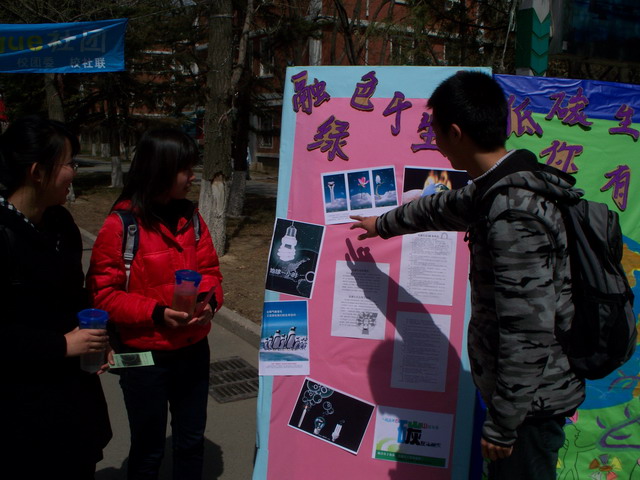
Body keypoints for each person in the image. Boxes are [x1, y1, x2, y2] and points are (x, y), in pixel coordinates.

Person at [350, 71, 585, 480]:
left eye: (436, 132)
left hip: (529, 408)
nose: (435, 143)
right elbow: (440, 208)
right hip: (523, 400)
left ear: (455, 133)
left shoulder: (512, 212)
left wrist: (504, 424)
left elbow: (527, 330)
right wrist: (381, 224)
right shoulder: (497, 187)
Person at [87, 127, 223, 480]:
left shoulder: (191, 218)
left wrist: (210, 304)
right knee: (148, 448)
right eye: (185, 169)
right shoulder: (122, 225)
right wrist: (158, 314)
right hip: (143, 357)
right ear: (160, 169)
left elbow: (210, 272)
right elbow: (104, 294)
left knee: (190, 442)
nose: (192, 177)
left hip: (193, 349)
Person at [0, 115, 112, 478]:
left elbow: (74, 294)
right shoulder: (4, 234)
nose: (74, 173)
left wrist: (96, 338)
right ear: (37, 171)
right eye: (69, 163)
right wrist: (62, 344)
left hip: (73, 401)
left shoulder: (61, 224)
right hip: (22, 412)